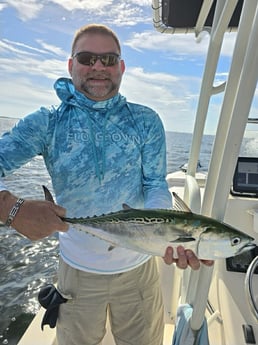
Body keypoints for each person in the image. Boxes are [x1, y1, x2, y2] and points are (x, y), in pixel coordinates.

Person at [0, 24, 213, 345]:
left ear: (121, 67)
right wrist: (11, 210)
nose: (98, 66)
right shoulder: (47, 123)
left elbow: (154, 182)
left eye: (109, 59)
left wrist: (168, 236)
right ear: (71, 65)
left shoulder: (145, 121)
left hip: (139, 269)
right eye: (87, 58)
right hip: (77, 274)